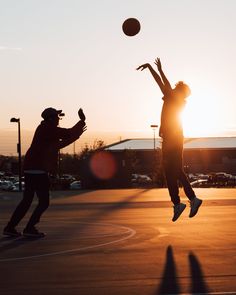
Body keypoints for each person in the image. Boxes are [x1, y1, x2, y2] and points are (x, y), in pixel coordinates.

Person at [3, 107, 86, 237]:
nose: (59, 119)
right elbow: (66, 133)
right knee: (44, 201)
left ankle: (10, 227)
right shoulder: (47, 129)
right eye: (57, 117)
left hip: (32, 168)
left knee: (27, 200)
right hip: (37, 169)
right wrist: (81, 122)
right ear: (51, 118)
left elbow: (59, 144)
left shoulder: (45, 130)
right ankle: (29, 228)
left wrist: (77, 133)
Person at [137, 58, 202, 221]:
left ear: (179, 91)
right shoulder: (173, 97)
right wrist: (152, 69)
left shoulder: (176, 98)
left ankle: (179, 203)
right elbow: (160, 83)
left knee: (170, 172)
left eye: (174, 87)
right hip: (174, 138)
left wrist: (159, 70)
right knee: (177, 171)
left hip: (172, 139)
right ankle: (192, 200)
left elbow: (163, 82)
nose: (170, 87)